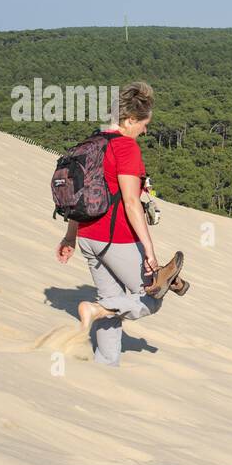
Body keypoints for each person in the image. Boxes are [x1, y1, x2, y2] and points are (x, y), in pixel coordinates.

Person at [55, 82, 188, 365]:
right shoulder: (126, 148)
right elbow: (130, 202)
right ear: (129, 120)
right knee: (151, 298)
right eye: (143, 124)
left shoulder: (93, 143)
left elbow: (80, 193)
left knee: (112, 300)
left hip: (88, 237)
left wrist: (70, 237)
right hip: (116, 238)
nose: (145, 130)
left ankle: (106, 367)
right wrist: (149, 251)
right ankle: (95, 309)